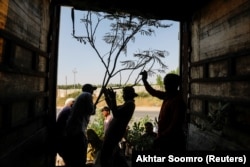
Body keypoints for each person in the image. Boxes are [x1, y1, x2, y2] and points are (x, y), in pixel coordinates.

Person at [140, 71, 186, 151]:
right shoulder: (168, 95)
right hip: (166, 139)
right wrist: (144, 80)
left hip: (172, 142)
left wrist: (161, 137)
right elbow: (153, 92)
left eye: (167, 84)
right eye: (165, 84)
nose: (165, 86)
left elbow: (174, 125)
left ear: (175, 85)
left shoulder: (177, 101)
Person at [100, 86, 138, 167]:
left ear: (128, 95)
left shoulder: (130, 104)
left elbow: (115, 112)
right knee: (113, 153)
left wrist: (113, 98)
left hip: (116, 131)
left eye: (124, 94)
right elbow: (112, 107)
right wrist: (107, 95)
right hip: (115, 131)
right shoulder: (127, 104)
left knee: (105, 153)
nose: (123, 96)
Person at [64, 83, 97, 167]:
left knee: (76, 151)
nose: (93, 92)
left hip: (73, 128)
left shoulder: (81, 96)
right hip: (77, 128)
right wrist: (94, 106)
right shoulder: (87, 95)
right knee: (81, 150)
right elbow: (91, 111)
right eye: (92, 90)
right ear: (89, 90)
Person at [55, 98, 75, 164]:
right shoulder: (69, 110)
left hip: (60, 138)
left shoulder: (64, 110)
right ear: (72, 104)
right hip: (63, 138)